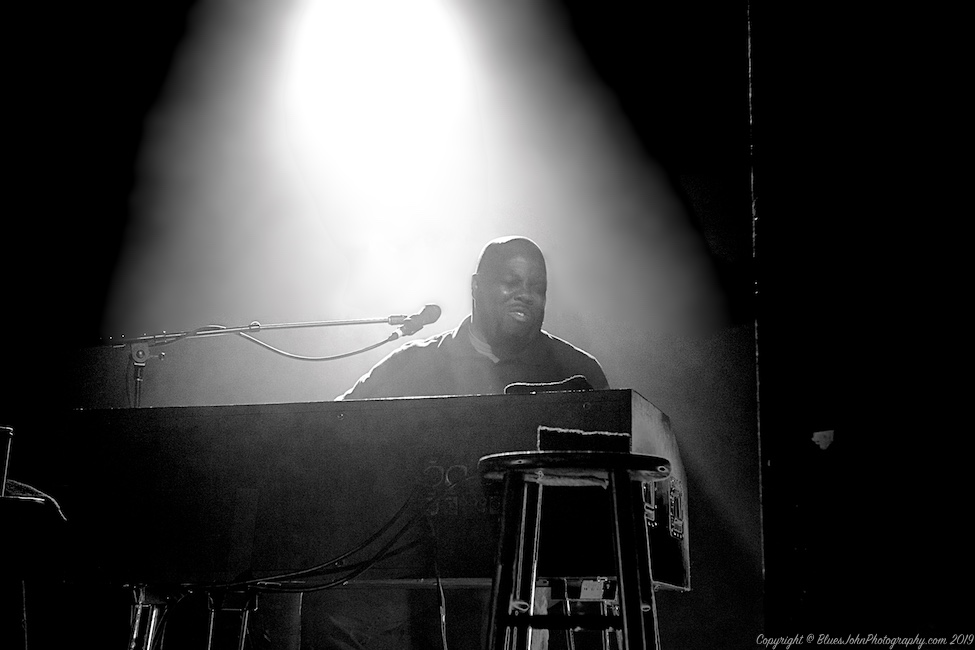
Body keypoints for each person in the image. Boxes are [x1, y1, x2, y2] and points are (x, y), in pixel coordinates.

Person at [303, 236, 609, 650]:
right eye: (511, 281)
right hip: (409, 578)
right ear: (476, 286)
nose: (525, 295)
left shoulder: (577, 373)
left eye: (537, 288)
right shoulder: (411, 365)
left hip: (527, 582)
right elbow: (330, 432)